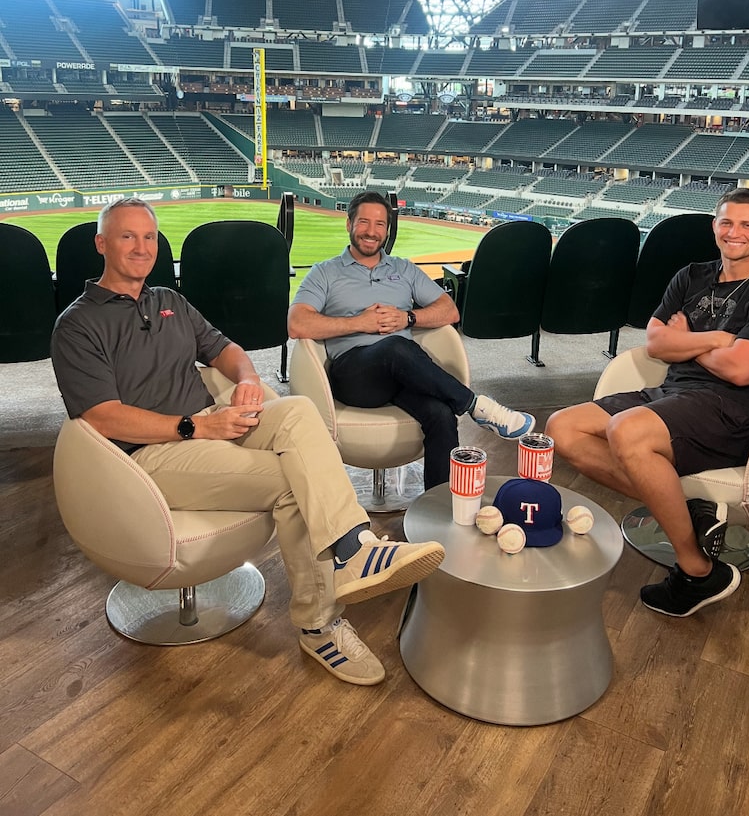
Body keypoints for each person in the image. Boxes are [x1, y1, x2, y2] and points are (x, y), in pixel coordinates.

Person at [51, 197, 446, 687]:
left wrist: (247, 380)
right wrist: (195, 428)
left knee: (298, 410)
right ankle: (319, 622)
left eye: (149, 237)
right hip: (152, 456)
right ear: (101, 244)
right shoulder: (77, 324)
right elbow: (102, 416)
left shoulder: (168, 301)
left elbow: (225, 349)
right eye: (128, 236)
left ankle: (355, 547)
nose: (141, 247)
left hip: (212, 418)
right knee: (292, 481)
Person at [546, 188, 749, 617]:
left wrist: (684, 341)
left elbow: (742, 371)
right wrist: (718, 340)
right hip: (671, 393)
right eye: (726, 222)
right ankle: (690, 515)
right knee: (561, 427)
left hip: (731, 409)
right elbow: (654, 343)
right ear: (714, 226)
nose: (734, 232)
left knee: (626, 430)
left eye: (747, 224)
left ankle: (697, 571)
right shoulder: (691, 276)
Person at [287, 190, 535, 490]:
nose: (371, 231)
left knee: (441, 414)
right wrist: (359, 322)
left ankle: (439, 507)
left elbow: (449, 310)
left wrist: (408, 318)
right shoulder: (324, 272)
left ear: (387, 230)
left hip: (404, 373)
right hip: (354, 376)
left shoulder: (403, 268)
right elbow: (297, 323)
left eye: (380, 225)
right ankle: (476, 406)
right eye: (364, 222)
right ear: (349, 224)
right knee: (395, 347)